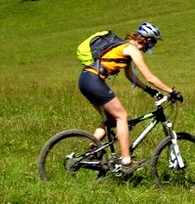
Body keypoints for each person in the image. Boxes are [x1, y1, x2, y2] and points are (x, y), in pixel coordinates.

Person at [77, 22, 183, 173]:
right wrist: (171, 91)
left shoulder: (123, 47)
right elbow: (150, 77)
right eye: (152, 41)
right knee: (122, 116)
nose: (151, 46)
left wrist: (149, 91)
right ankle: (126, 161)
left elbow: (130, 75)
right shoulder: (131, 49)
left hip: (85, 79)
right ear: (145, 39)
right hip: (94, 81)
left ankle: (91, 152)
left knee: (111, 120)